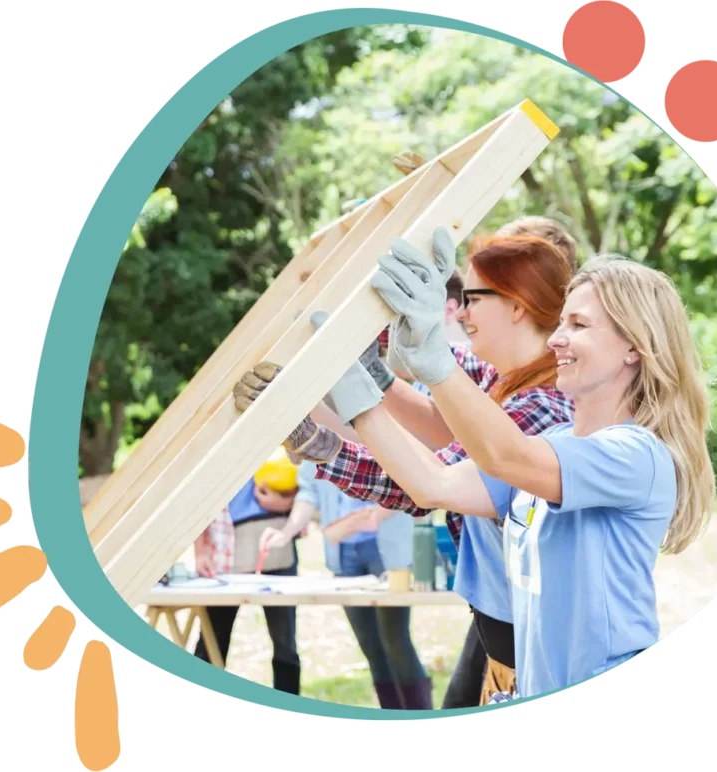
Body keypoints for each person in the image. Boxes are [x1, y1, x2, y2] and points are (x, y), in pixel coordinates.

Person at [273, 230, 715, 700]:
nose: (559, 338)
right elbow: (430, 483)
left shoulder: (635, 456)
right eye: (562, 322)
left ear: (635, 347)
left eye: (580, 326)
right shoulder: (555, 439)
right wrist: (350, 402)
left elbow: (504, 453)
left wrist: (429, 360)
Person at [232, 230, 577, 707]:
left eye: (471, 299)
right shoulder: (507, 382)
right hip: (506, 633)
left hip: (533, 646)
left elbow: (429, 482)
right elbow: (443, 424)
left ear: (518, 306)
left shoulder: (543, 408)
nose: (459, 312)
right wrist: (374, 373)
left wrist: (318, 441)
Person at [257, 461, 432, 708]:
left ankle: (420, 714)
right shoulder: (317, 438)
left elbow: (412, 482)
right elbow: (309, 493)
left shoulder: (376, 426)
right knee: (370, 646)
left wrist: (373, 516)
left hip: (386, 551)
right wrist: (285, 534)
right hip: (343, 554)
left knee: (396, 641)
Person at [191, 449, 304, 695]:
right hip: (225, 554)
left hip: (277, 549)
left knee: (285, 643)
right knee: (212, 639)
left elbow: (308, 488)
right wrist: (199, 551)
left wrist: (288, 501)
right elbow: (198, 501)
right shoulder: (215, 448)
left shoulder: (280, 437)